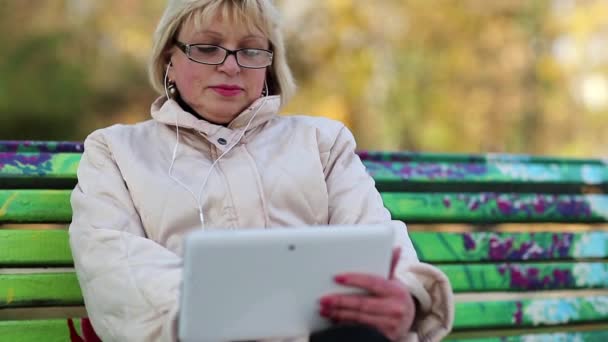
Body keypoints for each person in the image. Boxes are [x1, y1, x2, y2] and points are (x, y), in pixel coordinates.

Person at [68, 0, 454, 341]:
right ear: (170, 58)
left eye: (251, 50)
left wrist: (405, 297)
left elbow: (376, 236)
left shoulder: (322, 142)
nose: (231, 66)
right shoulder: (115, 151)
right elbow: (115, 268)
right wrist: (246, 316)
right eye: (207, 47)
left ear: (270, 65)